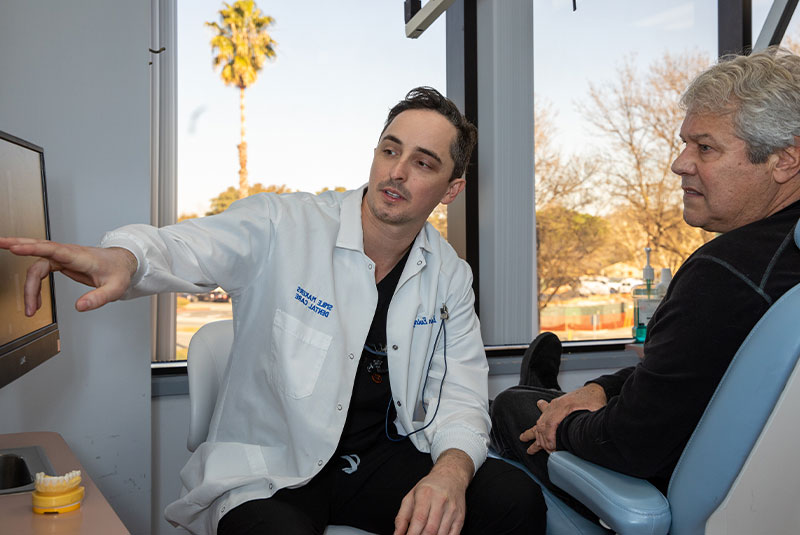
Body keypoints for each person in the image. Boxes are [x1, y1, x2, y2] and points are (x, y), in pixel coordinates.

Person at [1, 87, 545, 535]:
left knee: (512, 499)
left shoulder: (449, 274)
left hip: (380, 461)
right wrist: (125, 256)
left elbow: (463, 397)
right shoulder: (285, 224)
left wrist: (449, 472)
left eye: (422, 162)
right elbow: (188, 246)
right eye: (389, 149)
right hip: (276, 466)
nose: (397, 172)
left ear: (451, 190)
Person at [490, 46, 800, 517]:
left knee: (514, 407)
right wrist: (603, 388)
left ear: (783, 161)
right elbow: (700, 371)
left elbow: (629, 443)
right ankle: (555, 391)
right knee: (558, 398)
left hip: (655, 479)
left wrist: (566, 423)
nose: (680, 163)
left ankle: (544, 395)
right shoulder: (781, 263)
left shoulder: (725, 274)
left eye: (705, 147)